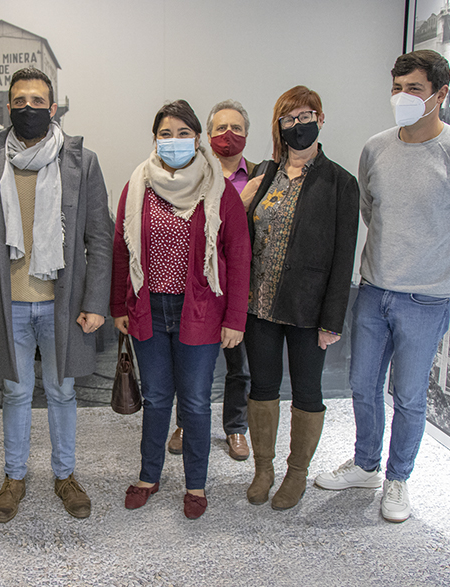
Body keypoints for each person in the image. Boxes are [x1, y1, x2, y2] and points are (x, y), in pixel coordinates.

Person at [315, 50, 450, 523]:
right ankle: (365, 464)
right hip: (375, 290)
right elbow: (372, 211)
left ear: (440, 94)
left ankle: (398, 480)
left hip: (427, 298)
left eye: (414, 89)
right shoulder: (376, 148)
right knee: (362, 386)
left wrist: (442, 271)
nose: (403, 97)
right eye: (397, 87)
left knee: (411, 395)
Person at [0, 67, 112, 523]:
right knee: (14, 392)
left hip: (61, 303)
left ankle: (64, 475)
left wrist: (94, 303)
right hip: (8, 304)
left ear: (53, 108)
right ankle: (13, 478)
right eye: (19, 100)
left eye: (37, 101)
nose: (28, 108)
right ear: (8, 106)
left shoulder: (80, 161)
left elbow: (99, 237)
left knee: (63, 391)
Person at [111, 100, 251, 519]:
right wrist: (119, 303)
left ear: (197, 138)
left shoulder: (218, 189)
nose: (174, 142)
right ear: (155, 139)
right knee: (156, 399)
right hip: (147, 309)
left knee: (193, 402)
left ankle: (195, 484)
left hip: (202, 311)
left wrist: (236, 318)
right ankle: (149, 476)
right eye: (165, 134)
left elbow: (239, 255)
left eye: (183, 133)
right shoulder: (138, 184)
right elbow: (122, 247)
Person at [241, 86, 359, 511]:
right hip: (260, 305)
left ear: (320, 119)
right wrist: (243, 201)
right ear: (279, 127)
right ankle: (264, 469)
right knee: (262, 386)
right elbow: (241, 235)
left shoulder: (340, 182)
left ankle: (296, 474)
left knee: (308, 392)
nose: (298, 125)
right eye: (289, 119)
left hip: (309, 310)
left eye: (306, 116)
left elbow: (344, 255)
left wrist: (333, 320)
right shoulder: (264, 173)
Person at [168, 99, 256, 462]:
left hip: (240, 287)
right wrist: (241, 198)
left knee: (239, 366)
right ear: (207, 135)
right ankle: (186, 422)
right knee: (188, 363)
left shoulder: (262, 177)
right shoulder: (193, 175)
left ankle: (235, 428)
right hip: (198, 290)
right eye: (220, 128)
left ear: (247, 135)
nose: (227, 135)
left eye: (236, 128)